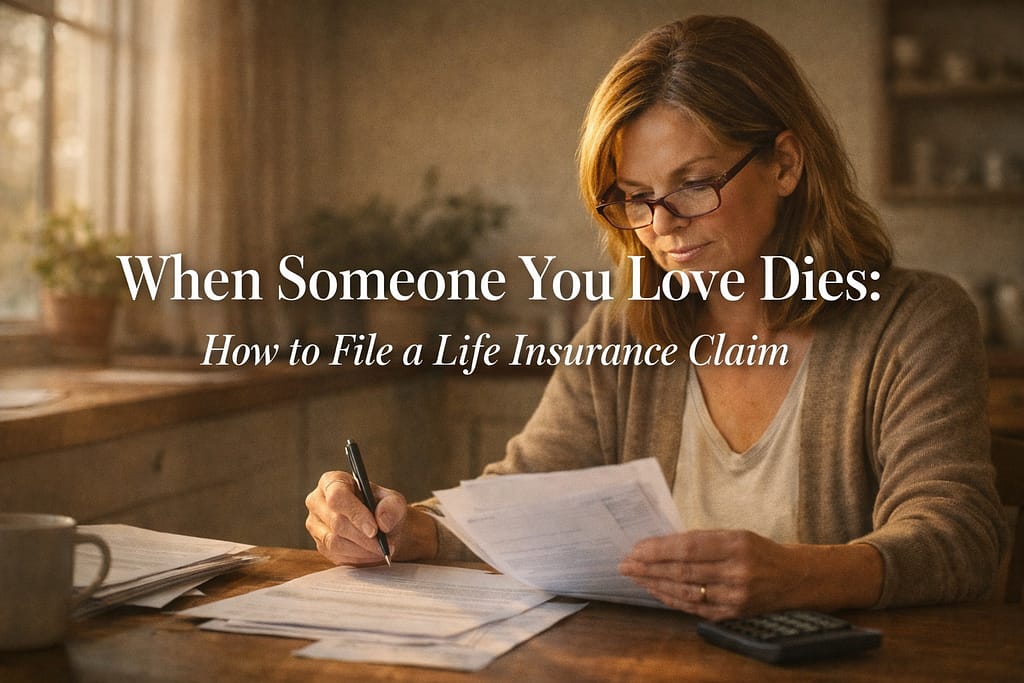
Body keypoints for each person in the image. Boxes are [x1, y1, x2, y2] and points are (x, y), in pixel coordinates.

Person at [304, 15, 1007, 619]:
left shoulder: (914, 323)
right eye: (635, 196)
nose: (661, 225)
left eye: (693, 184)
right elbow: (519, 497)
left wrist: (799, 575)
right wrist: (405, 526)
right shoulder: (622, 335)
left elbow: (959, 536)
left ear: (786, 164)